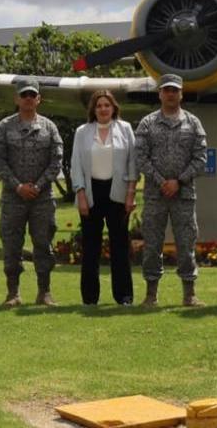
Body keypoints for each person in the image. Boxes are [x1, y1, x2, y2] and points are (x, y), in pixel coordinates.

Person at [134, 75, 208, 307]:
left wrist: (179, 181)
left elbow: (201, 158)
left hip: (184, 196)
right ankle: (151, 294)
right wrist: (160, 180)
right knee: (152, 245)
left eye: (174, 90)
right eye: (166, 90)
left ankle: (189, 294)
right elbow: (140, 158)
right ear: (160, 94)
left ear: (181, 94)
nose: (170, 94)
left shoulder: (193, 123)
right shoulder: (147, 123)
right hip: (155, 196)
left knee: (186, 245)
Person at [0, 78, 63, 307]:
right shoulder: (4, 127)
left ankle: (44, 292)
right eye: (24, 95)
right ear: (16, 99)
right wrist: (17, 186)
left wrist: (39, 186)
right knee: (12, 245)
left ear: (39, 99)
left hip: (42, 199)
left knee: (43, 244)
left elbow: (57, 160)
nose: (28, 99)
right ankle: (13, 293)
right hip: (13, 198)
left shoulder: (49, 127)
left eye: (33, 95)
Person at [71, 90, 138, 306]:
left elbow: (132, 163)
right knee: (91, 247)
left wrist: (131, 193)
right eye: (99, 105)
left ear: (113, 107)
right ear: (93, 109)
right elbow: (76, 165)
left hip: (117, 193)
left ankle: (124, 296)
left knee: (120, 246)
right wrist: (80, 194)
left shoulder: (125, 129)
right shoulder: (82, 132)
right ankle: (90, 298)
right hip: (91, 193)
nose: (103, 109)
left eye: (106, 105)